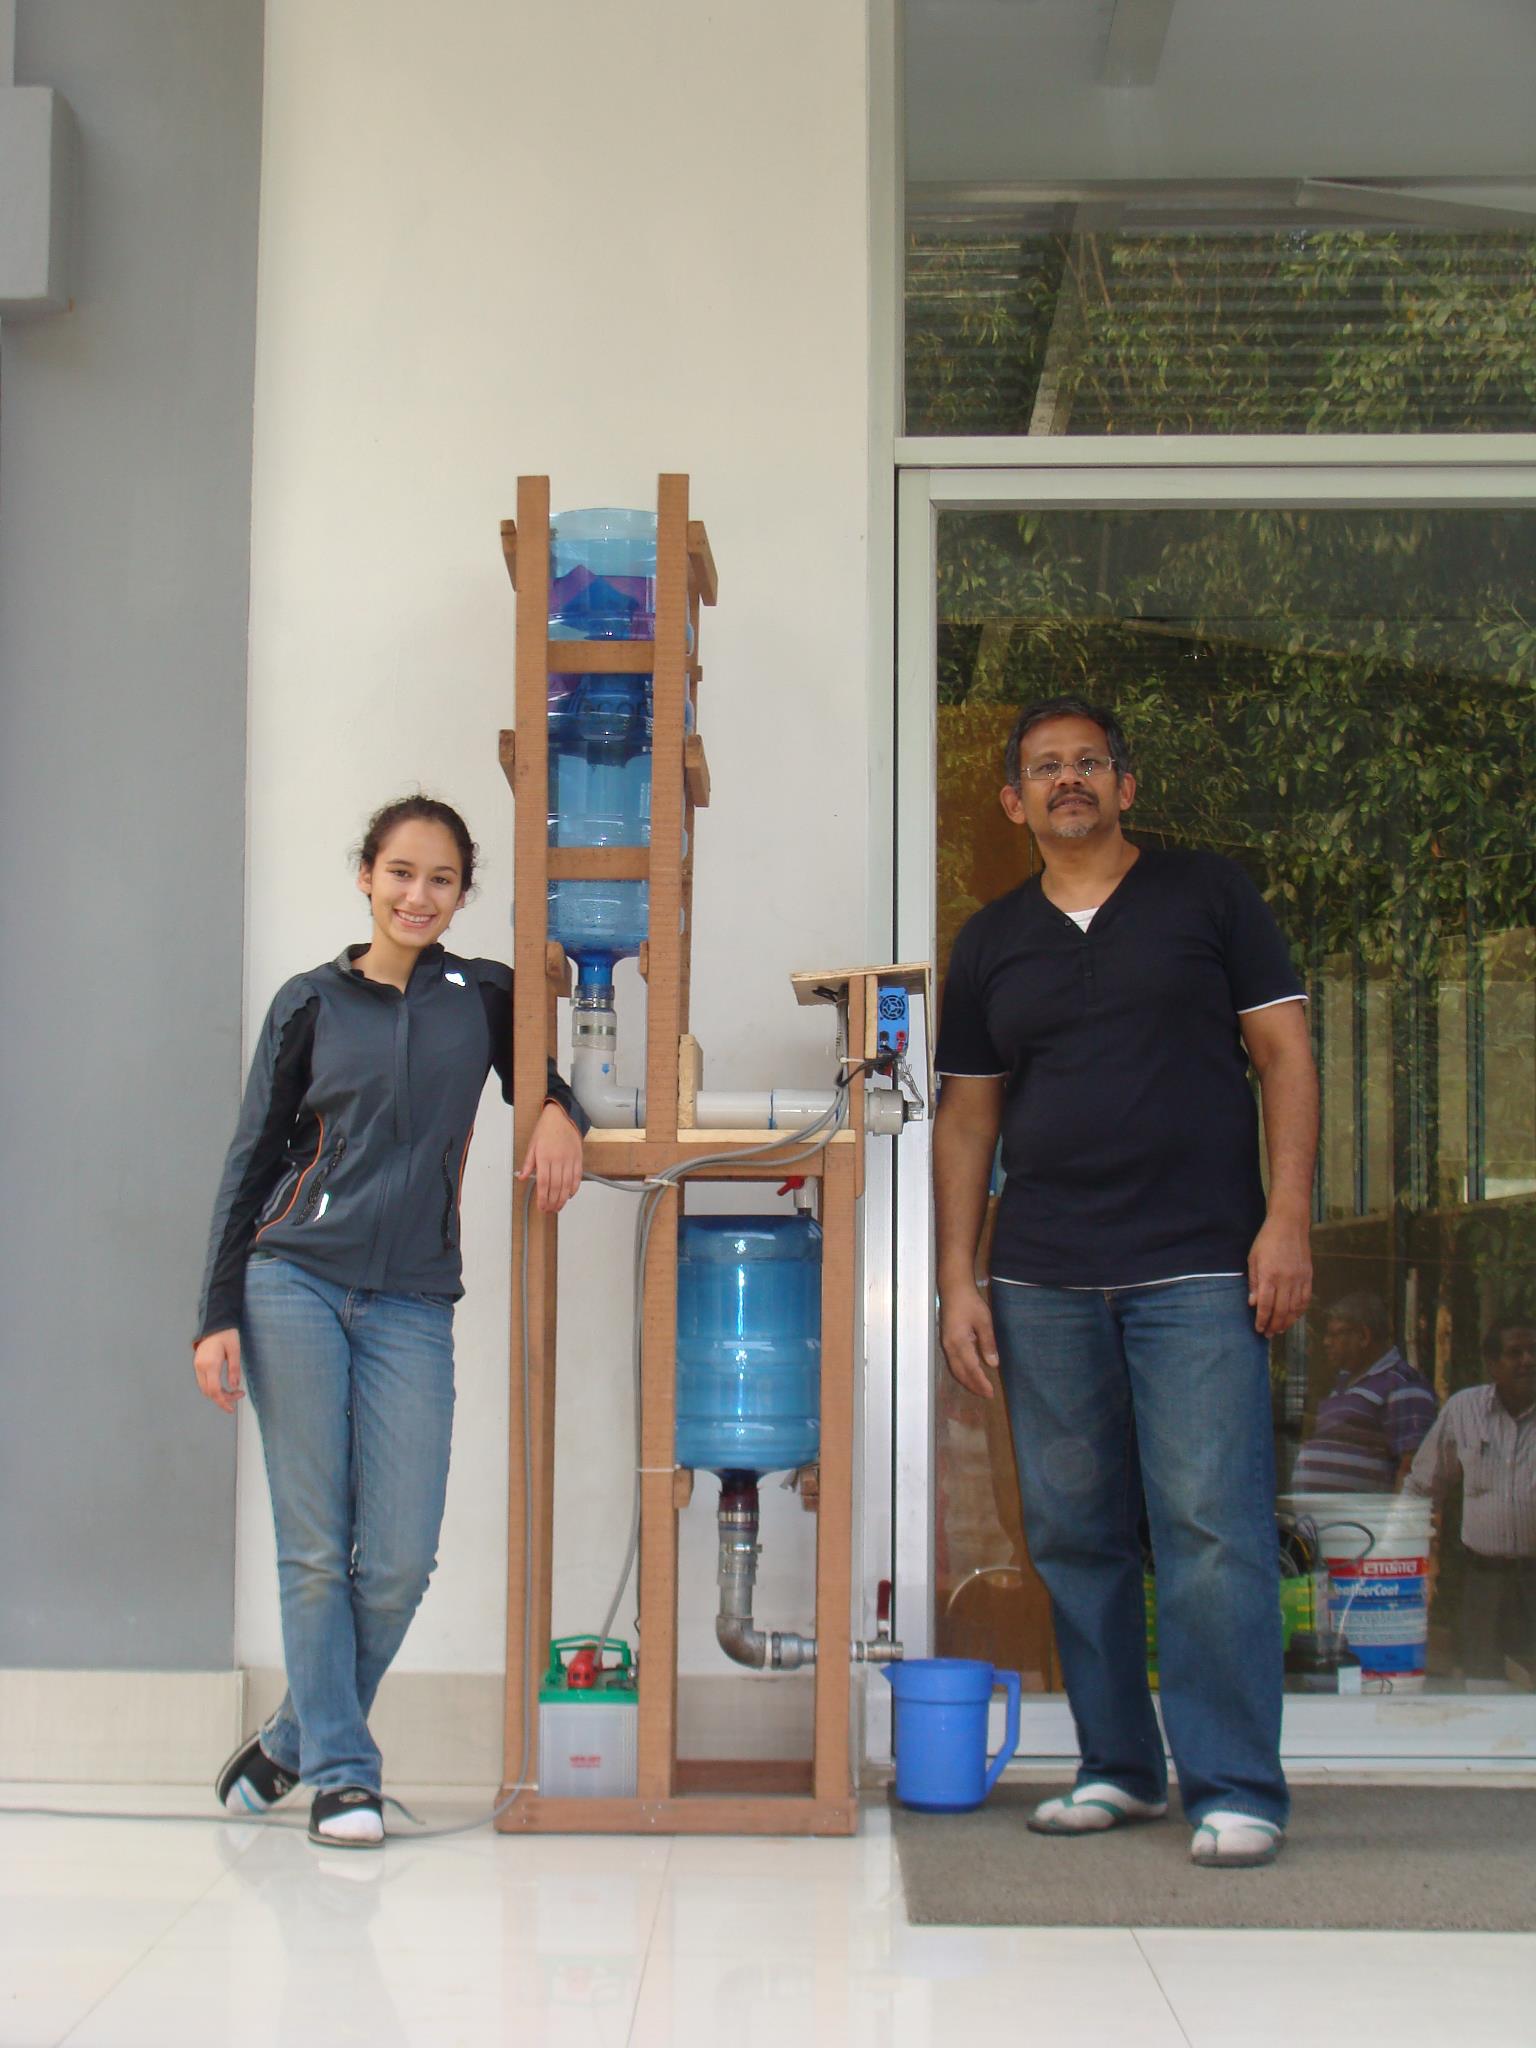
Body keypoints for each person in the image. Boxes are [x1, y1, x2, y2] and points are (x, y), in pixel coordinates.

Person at [934, 695, 1318, 1870]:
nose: (1067, 780)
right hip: (1045, 1272)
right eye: (1044, 767)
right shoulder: (992, 940)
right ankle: (1116, 1766)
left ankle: (1236, 1781)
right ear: (1013, 800)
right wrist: (960, 1273)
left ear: (1125, 784)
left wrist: (1288, 1216)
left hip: (1201, 1261)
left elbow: (1286, 1053)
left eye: (1088, 763)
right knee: (1074, 1532)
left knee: (1210, 1527)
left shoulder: (1209, 897)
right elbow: (967, 1120)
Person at [192, 796, 587, 1846]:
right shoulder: (311, 1003)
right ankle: (343, 1775)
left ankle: (291, 1736)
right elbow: (251, 1159)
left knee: (401, 1557)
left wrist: (561, 1110)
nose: (419, 894)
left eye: (442, 878)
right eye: (401, 871)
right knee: (317, 1545)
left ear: (464, 893)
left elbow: (546, 1079)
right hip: (295, 1284)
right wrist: (215, 1310)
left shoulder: (483, 996)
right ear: (366, 874)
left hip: (412, 1297)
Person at [1405, 1318, 1536, 1691]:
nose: (1528, 1360)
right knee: (1483, 1688)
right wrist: (1401, 1558)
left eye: (1533, 1351)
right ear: (1492, 1364)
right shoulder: (1464, 1411)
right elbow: (1422, 1486)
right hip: (1483, 1580)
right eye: (1515, 1353)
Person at [1290, 1292, 1438, 1493]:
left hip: (1364, 1521)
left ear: (1363, 1336)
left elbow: (1413, 1467)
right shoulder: (1343, 1383)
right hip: (1325, 1519)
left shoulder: (1403, 1383)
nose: (1326, 1342)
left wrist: (1397, 1522)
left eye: (1334, 1334)